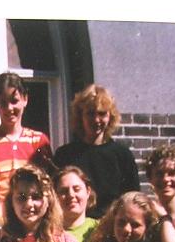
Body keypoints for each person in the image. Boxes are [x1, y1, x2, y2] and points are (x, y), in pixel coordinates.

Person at [0, 72, 52, 222]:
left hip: (32, 216)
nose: (9, 108)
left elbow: (45, 186)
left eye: (14, 101)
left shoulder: (38, 140)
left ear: (25, 99)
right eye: (3, 103)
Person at [53, 84, 140, 218]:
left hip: (111, 229)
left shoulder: (122, 155)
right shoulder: (65, 155)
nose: (96, 120)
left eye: (102, 113)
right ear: (80, 116)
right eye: (90, 113)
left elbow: (133, 198)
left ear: (110, 116)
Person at [55, 165, 99, 242]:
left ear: (88, 192)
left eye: (76, 189)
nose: (71, 195)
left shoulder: (101, 229)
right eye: (64, 191)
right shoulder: (47, 232)